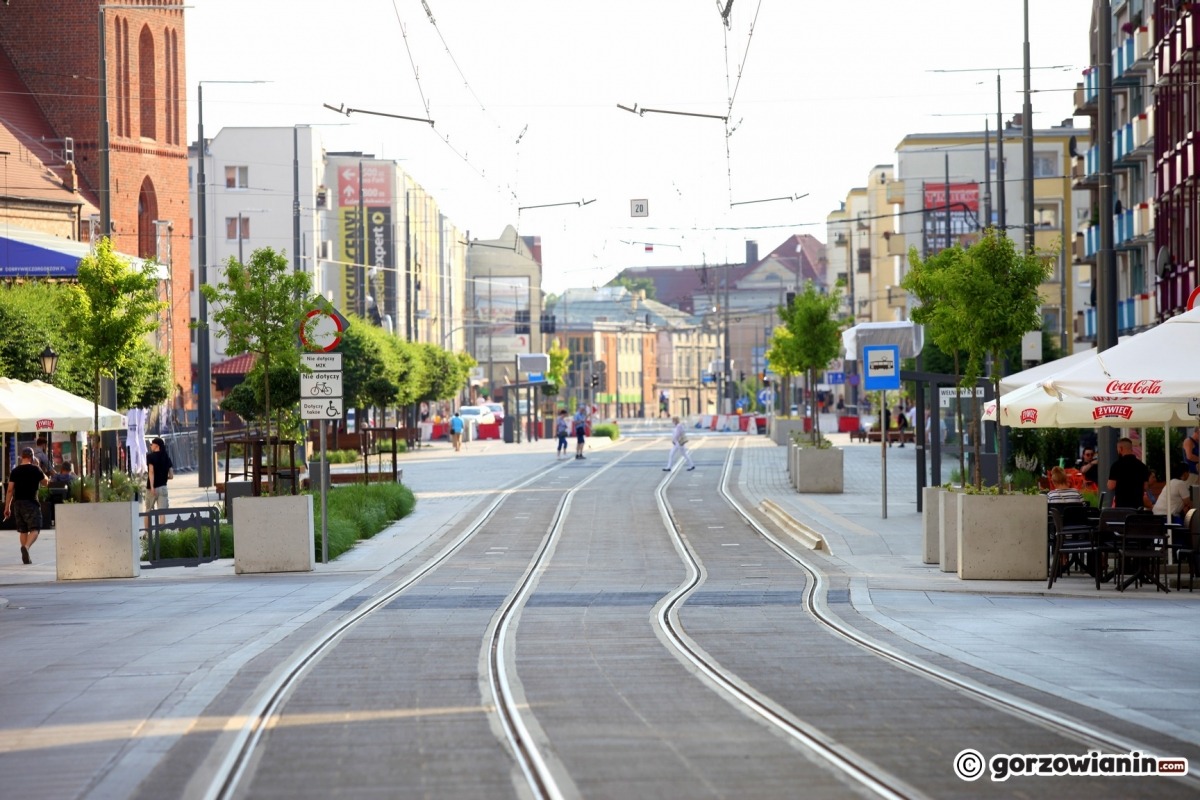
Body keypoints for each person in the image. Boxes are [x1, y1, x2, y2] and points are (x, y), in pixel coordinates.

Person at [4, 447, 48, 564]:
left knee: (23, 530)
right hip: (31, 502)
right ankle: (26, 547)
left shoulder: (15, 471)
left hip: (17, 503)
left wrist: (7, 507)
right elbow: (46, 482)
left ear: (22, 457)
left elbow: (9, 490)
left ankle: (26, 556)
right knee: (35, 528)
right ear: (32, 457)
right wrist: (39, 467)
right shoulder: (35, 469)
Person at [1107, 436, 1150, 509]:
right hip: (1138, 507)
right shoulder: (1142, 466)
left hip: (1122, 507)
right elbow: (1145, 487)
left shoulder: (1116, 466)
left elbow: (1111, 486)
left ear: (1120, 448)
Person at [145, 436, 173, 511]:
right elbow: (171, 475)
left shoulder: (150, 457)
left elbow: (151, 472)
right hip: (163, 487)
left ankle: (148, 523)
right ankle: (162, 523)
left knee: (148, 511)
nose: (150, 445)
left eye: (152, 444)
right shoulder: (167, 457)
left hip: (152, 488)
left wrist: (152, 486)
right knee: (162, 512)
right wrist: (164, 477)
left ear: (157, 446)